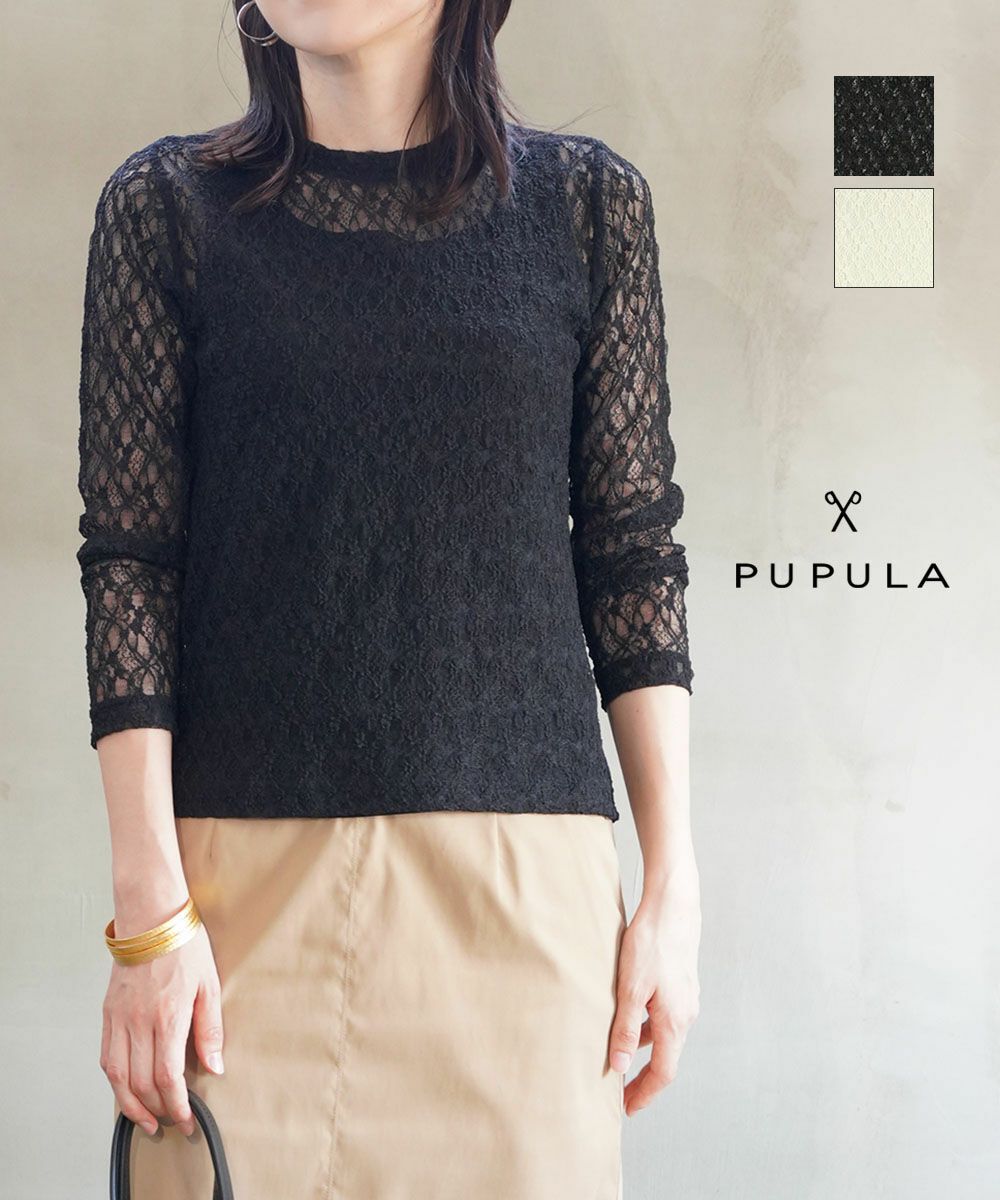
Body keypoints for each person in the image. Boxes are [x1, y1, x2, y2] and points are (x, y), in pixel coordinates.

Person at [76, 0, 702, 1195]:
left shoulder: (585, 208)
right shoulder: (167, 211)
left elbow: (631, 561)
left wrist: (672, 889)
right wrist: (148, 918)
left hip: (520, 901)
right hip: (234, 912)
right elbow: (131, 568)